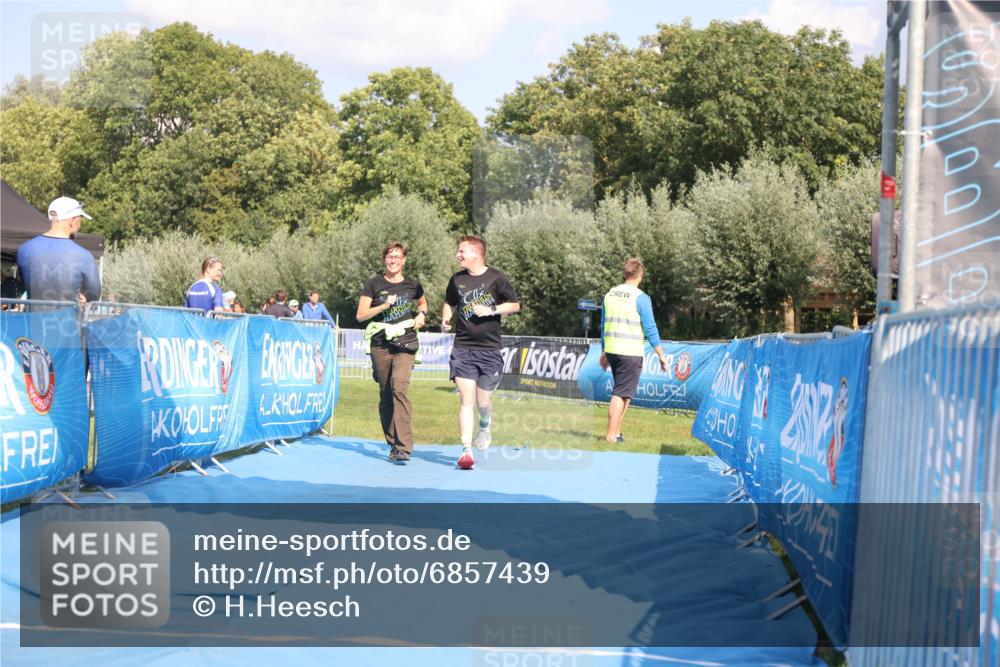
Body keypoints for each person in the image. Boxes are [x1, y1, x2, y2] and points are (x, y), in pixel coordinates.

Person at [442, 235, 519, 469]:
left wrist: (491, 310)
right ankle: (466, 450)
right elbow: (449, 302)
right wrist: (446, 318)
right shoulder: (457, 279)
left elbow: (515, 305)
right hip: (463, 347)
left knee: (482, 400)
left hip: (490, 350)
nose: (458, 255)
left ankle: (485, 426)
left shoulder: (496, 277)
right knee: (466, 398)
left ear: (476, 253)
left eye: (462, 251)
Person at [357, 242, 428, 463]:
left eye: (397, 256)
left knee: (399, 386)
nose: (393, 260)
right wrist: (383, 306)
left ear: (404, 260)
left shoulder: (412, 285)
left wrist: (421, 316)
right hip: (380, 345)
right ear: (384, 260)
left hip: (406, 344)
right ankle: (392, 442)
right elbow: (361, 315)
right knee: (386, 392)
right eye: (389, 256)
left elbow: (422, 303)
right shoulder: (374, 284)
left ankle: (403, 447)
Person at [599, 257, 668, 443]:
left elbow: (603, 324)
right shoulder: (641, 298)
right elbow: (650, 328)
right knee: (620, 393)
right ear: (641, 275)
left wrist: (604, 350)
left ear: (625, 273)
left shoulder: (610, 294)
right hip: (629, 351)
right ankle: (611, 436)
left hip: (613, 349)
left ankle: (617, 432)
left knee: (625, 392)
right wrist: (661, 355)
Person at [16, 196, 101, 305]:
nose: (80, 224)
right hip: (67, 320)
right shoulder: (84, 256)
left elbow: (22, 285)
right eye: (80, 218)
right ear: (72, 220)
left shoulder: (25, 249)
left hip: (32, 320)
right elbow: (93, 296)